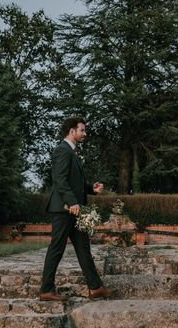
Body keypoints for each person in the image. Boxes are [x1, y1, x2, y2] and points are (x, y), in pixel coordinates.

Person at [39, 116, 114, 301]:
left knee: (83, 248)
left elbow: (74, 182)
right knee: (57, 248)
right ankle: (46, 290)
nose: (85, 133)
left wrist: (91, 189)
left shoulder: (71, 152)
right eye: (82, 130)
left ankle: (95, 287)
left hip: (74, 209)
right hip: (64, 209)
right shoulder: (62, 150)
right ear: (72, 131)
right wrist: (72, 202)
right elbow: (60, 181)